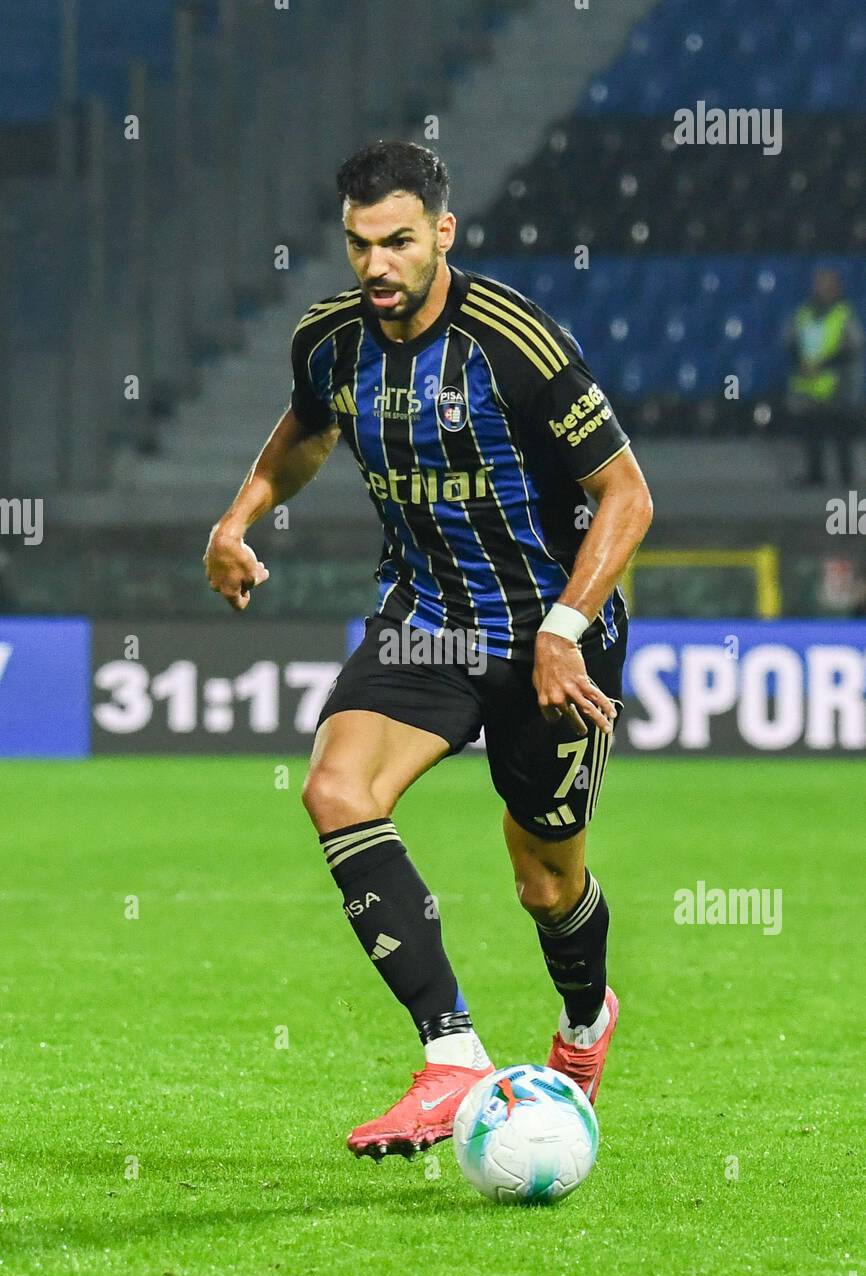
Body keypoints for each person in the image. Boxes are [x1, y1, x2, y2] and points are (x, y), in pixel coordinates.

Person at [204, 141, 653, 1160]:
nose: (377, 264)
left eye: (398, 241)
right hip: (425, 621)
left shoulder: (514, 345)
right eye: (360, 244)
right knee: (335, 789)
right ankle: (451, 1054)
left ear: (441, 233)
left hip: (551, 632)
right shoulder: (329, 340)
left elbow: (624, 495)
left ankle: (584, 1020)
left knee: (544, 881)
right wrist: (236, 520)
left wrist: (562, 629)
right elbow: (306, 430)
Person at [786, 267, 863, 487]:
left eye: (827, 284)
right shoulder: (803, 313)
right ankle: (815, 475)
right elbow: (792, 342)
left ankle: (845, 476)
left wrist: (822, 364)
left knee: (841, 433)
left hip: (838, 385)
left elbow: (853, 348)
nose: (822, 289)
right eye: (820, 284)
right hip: (808, 385)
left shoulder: (844, 314)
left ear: (836, 288)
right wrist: (802, 361)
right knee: (812, 433)